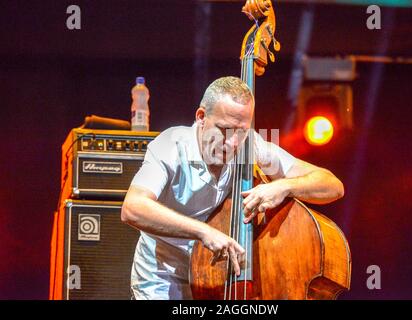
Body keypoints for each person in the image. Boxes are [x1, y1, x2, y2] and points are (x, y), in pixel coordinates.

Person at [121, 76, 344, 300]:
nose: (232, 143)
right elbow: (133, 208)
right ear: (201, 117)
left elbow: (332, 185)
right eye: (224, 129)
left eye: (241, 131)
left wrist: (284, 186)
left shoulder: (249, 146)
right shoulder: (171, 145)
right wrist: (202, 231)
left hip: (216, 278)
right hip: (163, 278)